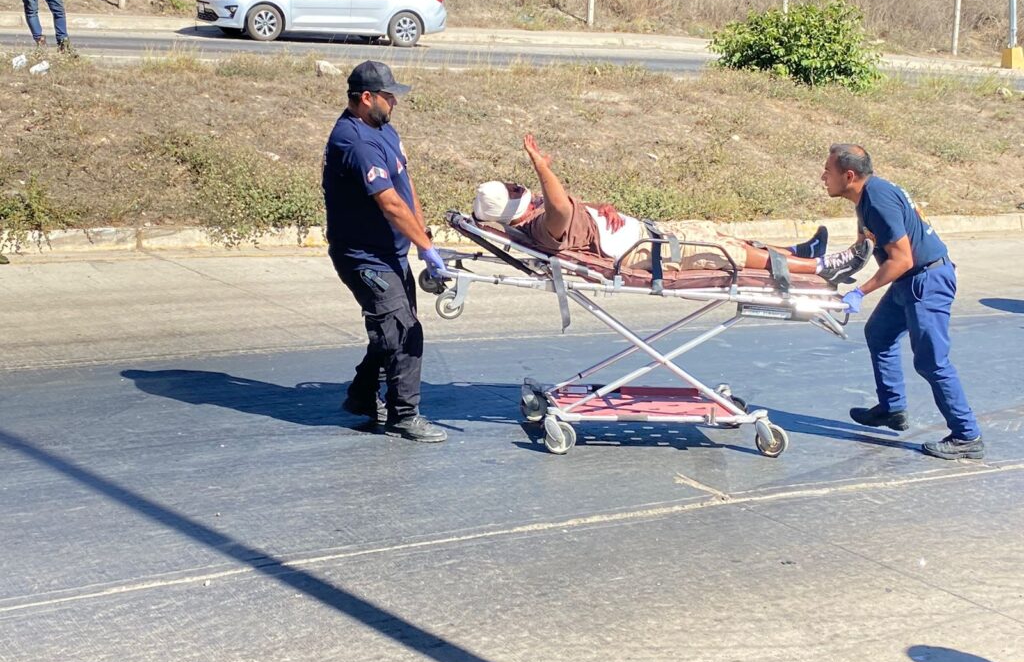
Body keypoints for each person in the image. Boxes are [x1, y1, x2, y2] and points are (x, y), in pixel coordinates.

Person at [472, 135, 872, 284]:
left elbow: (570, 209)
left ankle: (799, 253)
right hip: (647, 253)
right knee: (730, 256)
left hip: (651, 233)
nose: (520, 186)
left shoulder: (539, 214)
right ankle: (824, 267)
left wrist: (596, 208)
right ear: (510, 207)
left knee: (720, 234)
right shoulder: (541, 227)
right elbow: (560, 209)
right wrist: (541, 165)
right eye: (513, 188)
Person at [822, 143, 983, 460]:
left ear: (849, 175)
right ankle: (891, 408)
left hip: (926, 281)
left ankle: (967, 436)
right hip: (912, 280)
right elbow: (863, 247)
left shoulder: (878, 200)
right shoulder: (867, 197)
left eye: (828, 171)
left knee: (932, 361)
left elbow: (902, 259)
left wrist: (860, 291)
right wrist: (830, 273)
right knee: (879, 333)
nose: (822, 176)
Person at [322, 60, 447, 443]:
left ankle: (361, 396)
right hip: (364, 258)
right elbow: (390, 203)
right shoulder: (355, 141)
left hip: (391, 252)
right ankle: (404, 414)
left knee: (391, 328)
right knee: (404, 332)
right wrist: (426, 250)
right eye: (388, 96)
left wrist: (423, 238)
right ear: (365, 98)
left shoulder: (384, 130)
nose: (394, 101)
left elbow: (405, 187)